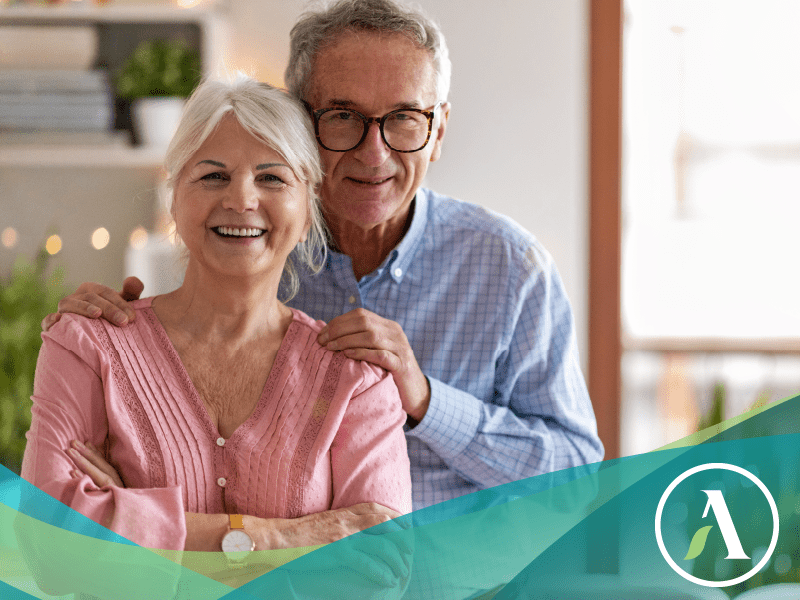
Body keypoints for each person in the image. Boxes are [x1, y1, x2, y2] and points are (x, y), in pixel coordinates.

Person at [46, 0, 603, 512]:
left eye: (405, 118)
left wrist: (428, 400)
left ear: (438, 131)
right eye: (343, 116)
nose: (374, 152)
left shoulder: (511, 269)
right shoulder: (241, 246)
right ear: (300, 125)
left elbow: (578, 478)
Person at [22, 75, 411, 564]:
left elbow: (381, 573)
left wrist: (129, 522)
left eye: (272, 177)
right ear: (175, 198)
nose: (241, 200)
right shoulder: (86, 345)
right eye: (212, 175)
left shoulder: (358, 379)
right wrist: (288, 537)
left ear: (308, 207)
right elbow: (50, 546)